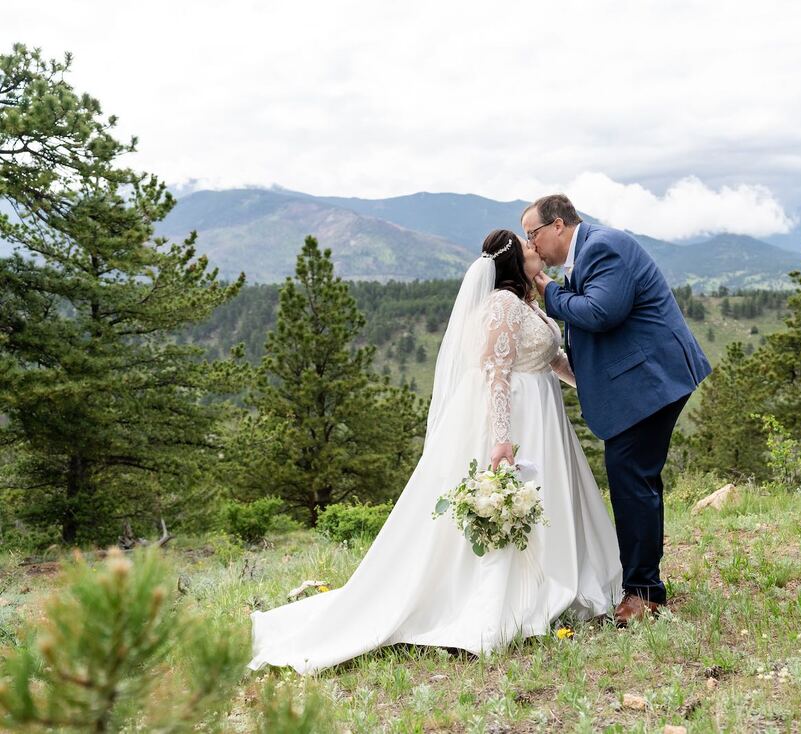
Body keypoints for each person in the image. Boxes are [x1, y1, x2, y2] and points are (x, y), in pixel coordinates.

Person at [247, 230, 621, 674]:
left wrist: (597, 392)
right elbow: (496, 374)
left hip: (546, 415)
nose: (535, 250)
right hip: (519, 417)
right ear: (512, 265)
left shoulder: (529, 305)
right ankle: (512, 593)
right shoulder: (502, 303)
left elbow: (551, 360)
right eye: (527, 248)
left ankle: (559, 578)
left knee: (553, 501)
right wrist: (502, 438)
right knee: (519, 500)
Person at [523, 194, 711, 626]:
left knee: (632, 480)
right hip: (642, 380)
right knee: (637, 479)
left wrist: (544, 286)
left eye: (533, 234)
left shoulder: (604, 246)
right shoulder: (586, 254)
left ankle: (644, 594)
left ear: (557, 226)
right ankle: (644, 586)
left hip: (651, 381)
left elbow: (600, 312)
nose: (532, 246)